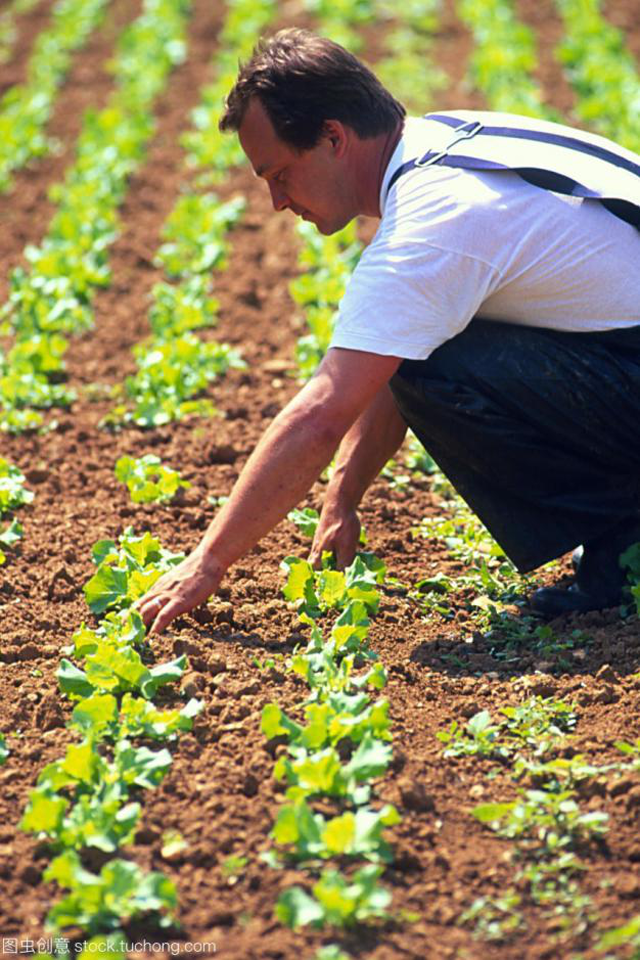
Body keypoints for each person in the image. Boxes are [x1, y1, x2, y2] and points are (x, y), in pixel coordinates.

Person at [138, 28, 640, 634]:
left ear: (332, 138)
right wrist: (343, 494)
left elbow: (321, 414)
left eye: (279, 175)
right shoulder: (445, 139)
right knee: (422, 349)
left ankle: (625, 544)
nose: (276, 202)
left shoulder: (431, 225)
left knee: (431, 363)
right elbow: (395, 347)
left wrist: (207, 563)